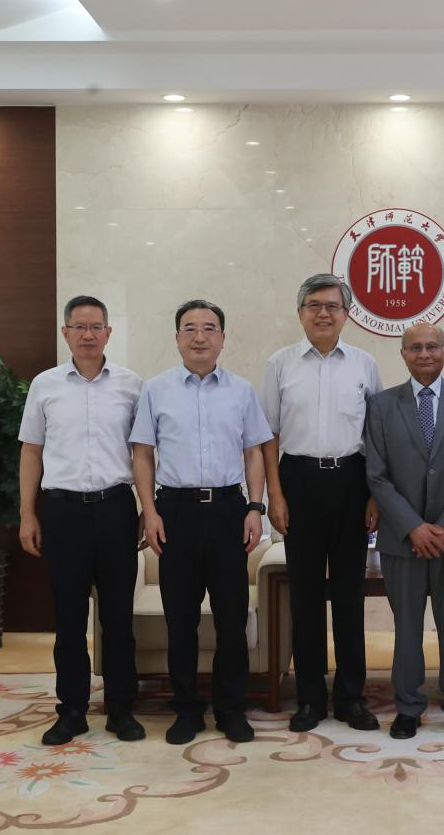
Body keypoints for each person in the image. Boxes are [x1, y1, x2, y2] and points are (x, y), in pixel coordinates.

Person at [131, 299, 272, 745]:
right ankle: (187, 709)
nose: (199, 336)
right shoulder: (155, 390)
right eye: (189, 328)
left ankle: (231, 709)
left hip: (229, 510)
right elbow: (142, 454)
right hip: (175, 511)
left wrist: (255, 508)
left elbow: (254, 452)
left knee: (232, 619)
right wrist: (150, 512)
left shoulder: (242, 391)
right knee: (181, 619)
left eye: (209, 328)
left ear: (222, 339)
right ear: (177, 338)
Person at [18, 295, 145, 746]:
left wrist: (148, 508)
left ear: (108, 333)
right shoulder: (45, 385)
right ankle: (71, 710)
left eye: (96, 327)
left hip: (116, 508)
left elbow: (144, 453)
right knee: (69, 619)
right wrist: (27, 513)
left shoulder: (131, 386)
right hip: (63, 511)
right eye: (79, 327)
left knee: (118, 617)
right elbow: (31, 451)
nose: (88, 335)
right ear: (65, 333)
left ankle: (121, 708)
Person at [261, 274, 383, 732]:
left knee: (350, 595)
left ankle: (351, 698)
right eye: (314, 305)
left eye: (333, 306)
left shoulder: (365, 364)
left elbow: (377, 436)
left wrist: (374, 495)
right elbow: (268, 435)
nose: (323, 313)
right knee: (306, 595)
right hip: (298, 481)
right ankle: (310, 699)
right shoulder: (280, 363)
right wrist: (275, 495)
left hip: (352, 480)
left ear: (347, 315)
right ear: (300, 313)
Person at [364, 323, 444, 740]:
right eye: (415, 347)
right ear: (403, 354)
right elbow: (376, 474)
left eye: (432, 347)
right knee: (407, 627)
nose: (424, 354)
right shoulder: (382, 405)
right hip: (402, 539)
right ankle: (408, 707)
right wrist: (413, 527)